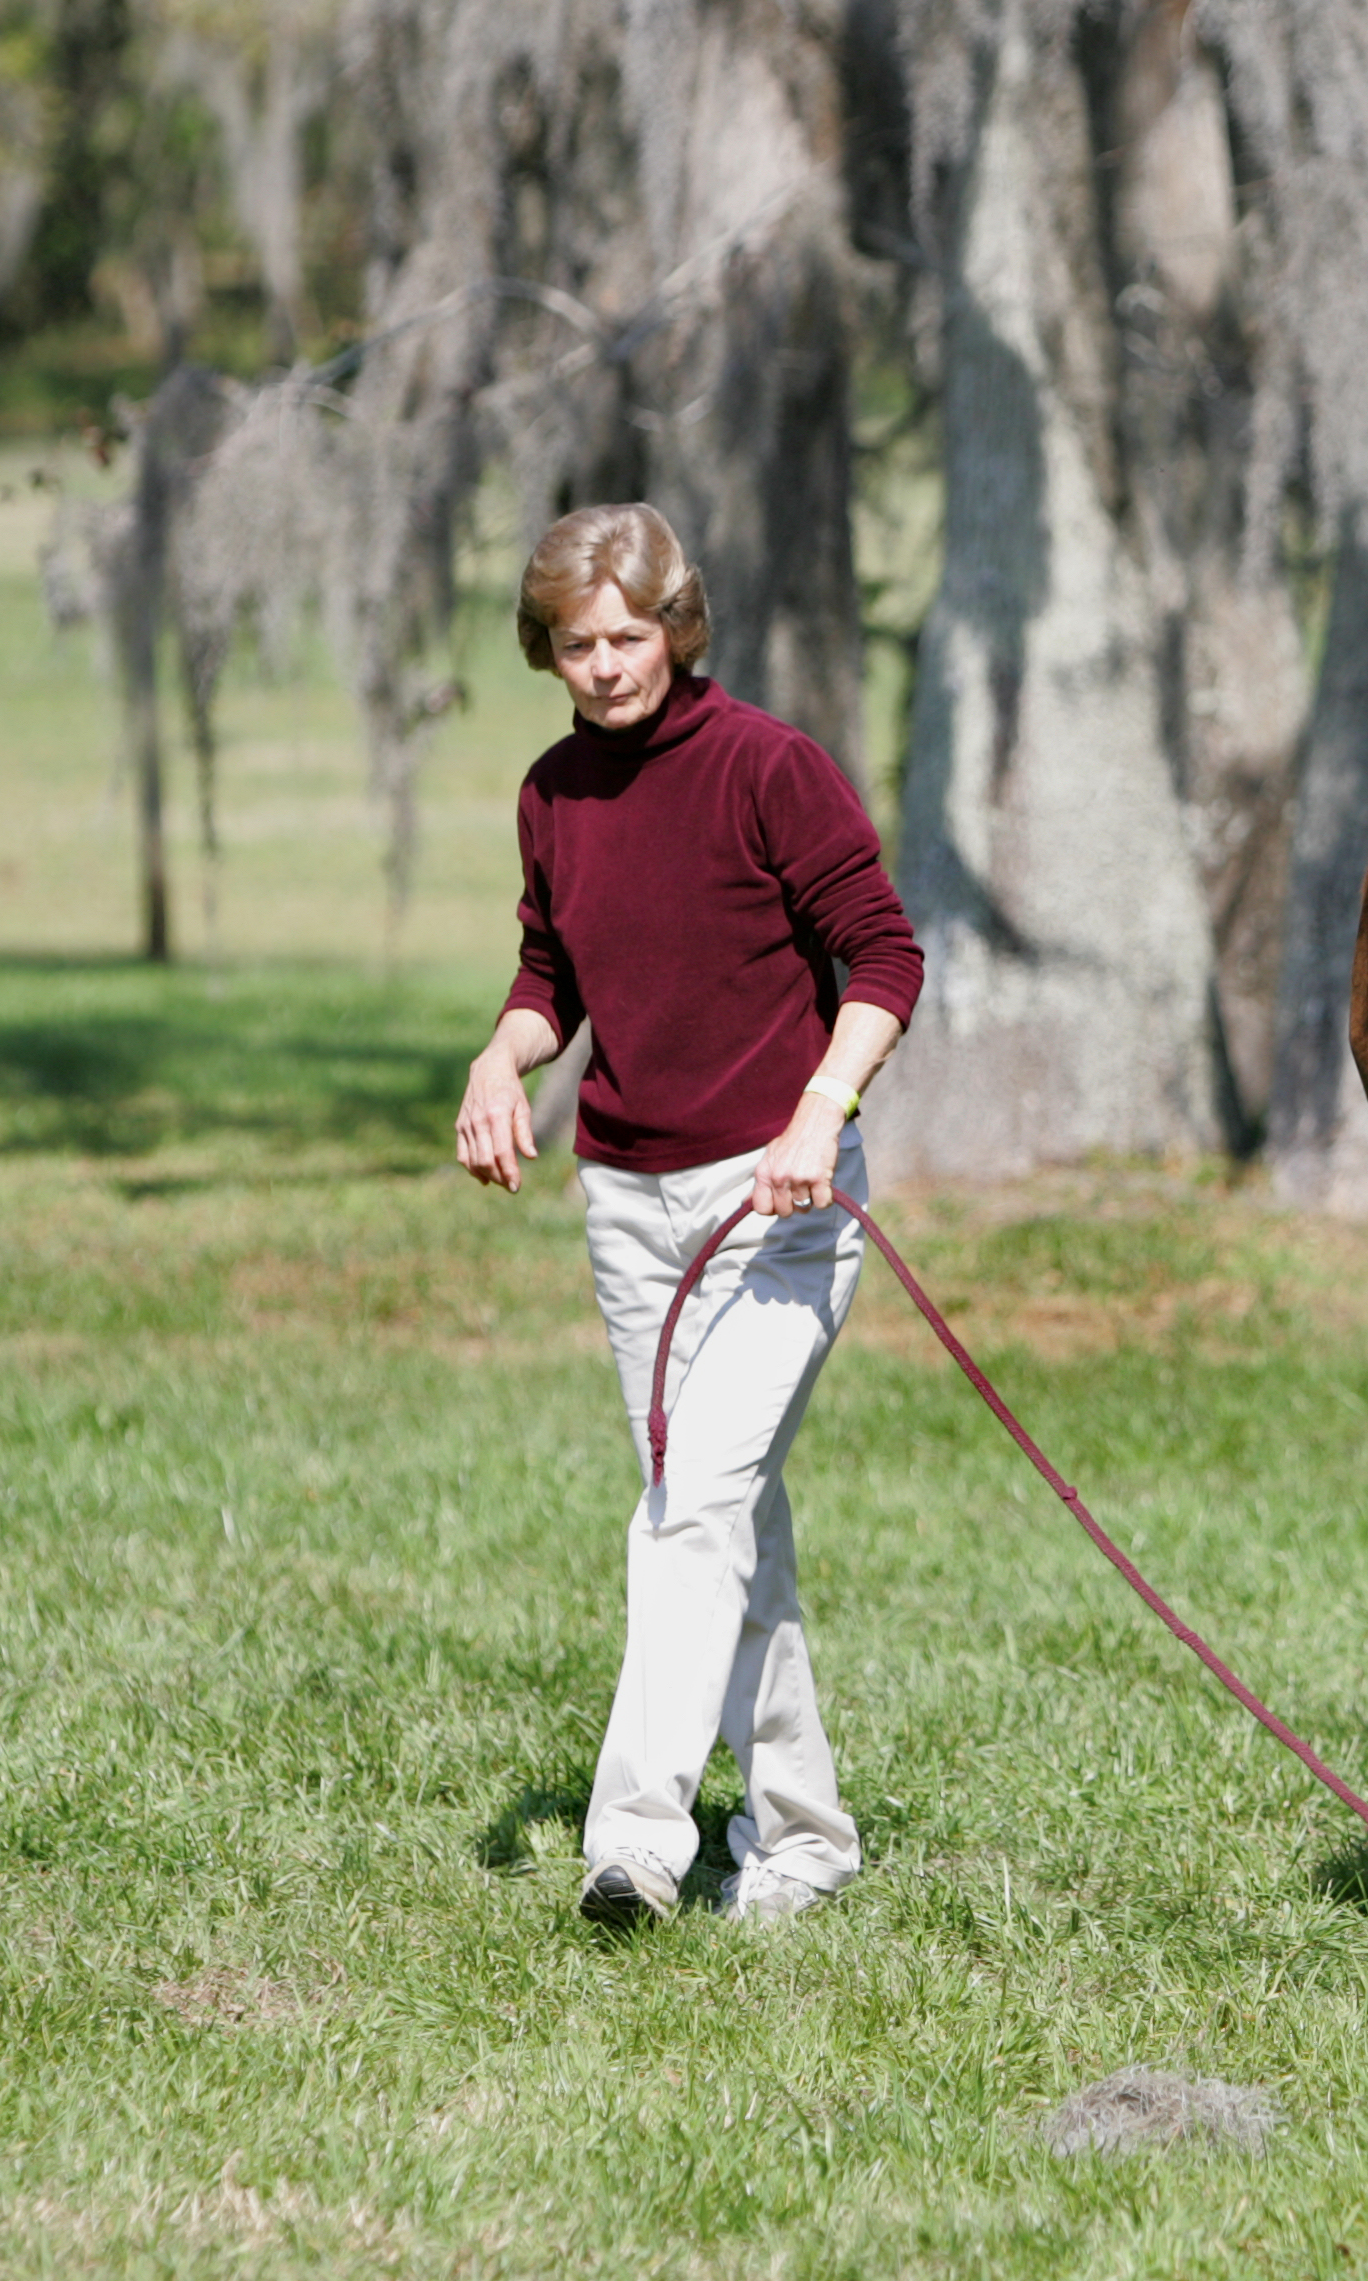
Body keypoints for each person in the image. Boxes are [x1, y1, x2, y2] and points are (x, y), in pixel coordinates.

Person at [453, 503, 919, 1929]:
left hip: (780, 1205)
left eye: (629, 638)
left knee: (689, 1507)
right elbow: (555, 979)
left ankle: (639, 1840)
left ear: (678, 628)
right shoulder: (551, 795)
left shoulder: (769, 769)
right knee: (729, 1525)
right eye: (578, 645)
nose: (604, 668)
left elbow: (885, 956)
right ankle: (802, 1836)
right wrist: (498, 1055)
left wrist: (816, 1112)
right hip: (629, 1209)